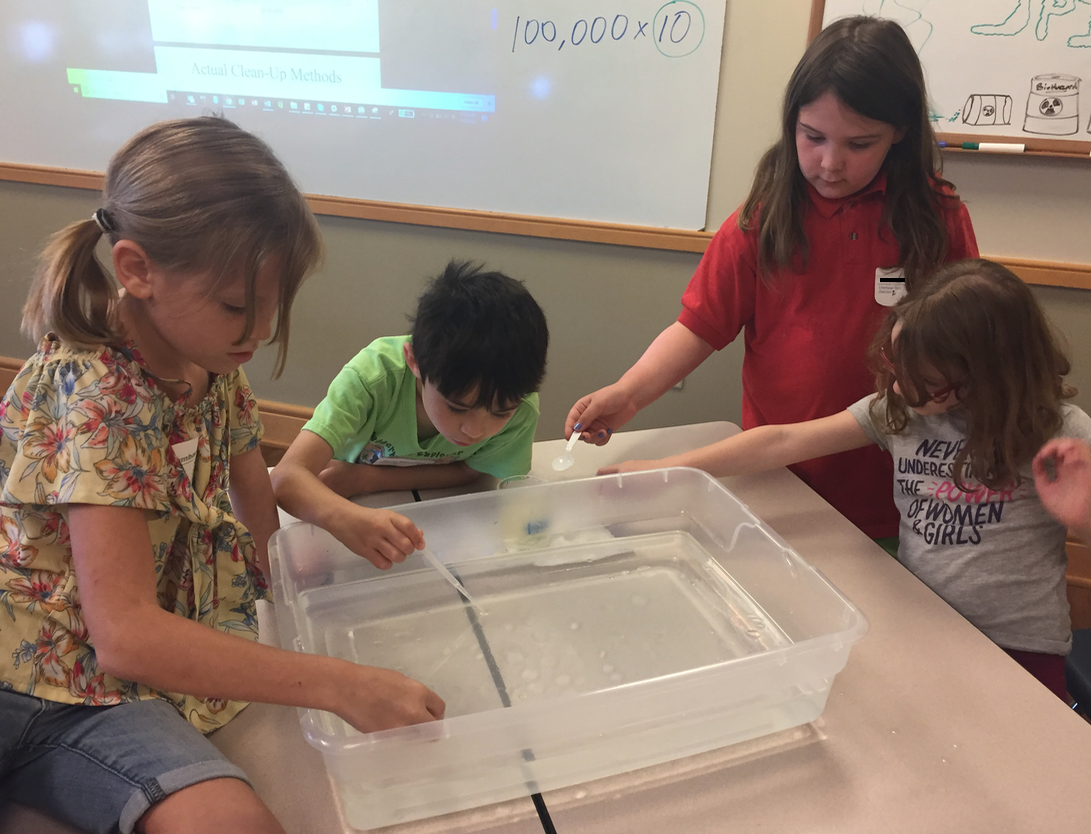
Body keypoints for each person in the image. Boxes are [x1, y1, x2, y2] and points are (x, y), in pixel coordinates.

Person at [0, 117, 444, 834]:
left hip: (116, 678)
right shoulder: (101, 398)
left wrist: (287, 592)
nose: (260, 330)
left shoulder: (212, 362)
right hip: (41, 673)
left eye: (272, 305)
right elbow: (126, 634)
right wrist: (341, 684)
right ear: (137, 270)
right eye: (238, 305)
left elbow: (254, 491)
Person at [566, 15, 978, 544]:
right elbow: (698, 327)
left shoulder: (937, 218)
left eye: (859, 144)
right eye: (813, 137)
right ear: (792, 124)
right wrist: (628, 395)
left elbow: (967, 342)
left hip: (899, 492)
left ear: (899, 133)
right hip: (776, 480)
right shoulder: (763, 218)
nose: (830, 163)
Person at [600, 259, 1089, 701]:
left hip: (1017, 649)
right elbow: (782, 441)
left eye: (923, 379)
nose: (898, 387)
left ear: (987, 373)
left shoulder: (1061, 431)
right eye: (896, 366)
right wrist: (671, 469)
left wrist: (1082, 515)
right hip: (921, 625)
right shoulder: (901, 412)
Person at [271, 260, 549, 568]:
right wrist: (345, 517)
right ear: (414, 361)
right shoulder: (372, 379)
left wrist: (366, 479)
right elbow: (285, 479)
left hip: (429, 519)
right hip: (346, 513)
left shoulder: (522, 404)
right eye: (457, 407)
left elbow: (473, 470)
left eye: (501, 412)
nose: (475, 431)